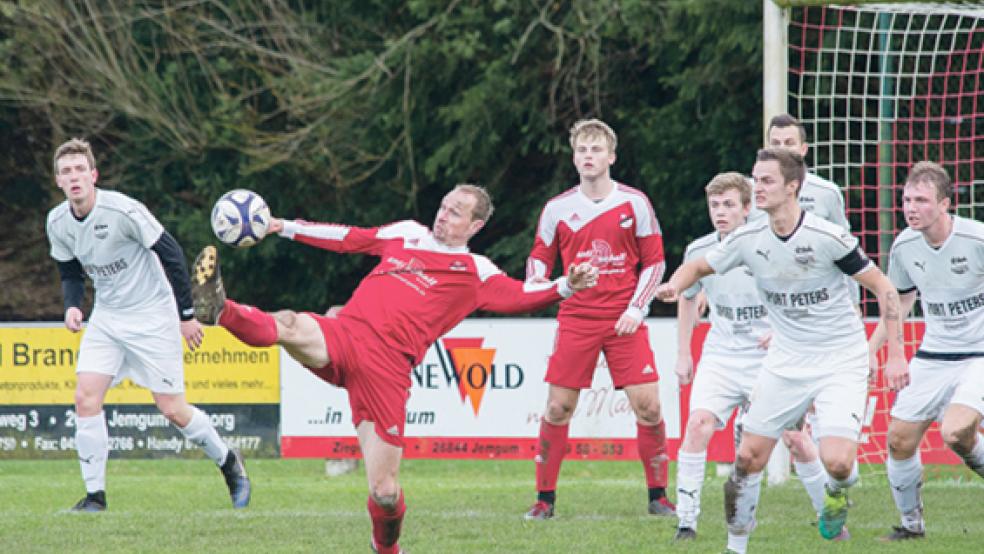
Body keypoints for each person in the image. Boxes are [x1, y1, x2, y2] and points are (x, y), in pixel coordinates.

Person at [190, 183, 598, 554]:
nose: (443, 215)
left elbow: (522, 295)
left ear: (474, 226)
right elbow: (349, 239)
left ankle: (386, 548)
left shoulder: (476, 271)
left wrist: (566, 285)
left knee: (384, 492)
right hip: (347, 333)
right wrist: (282, 226)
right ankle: (220, 309)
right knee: (291, 325)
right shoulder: (408, 233)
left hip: (387, 370)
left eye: (456, 212)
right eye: (443, 206)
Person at [655, 147, 906, 553]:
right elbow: (699, 267)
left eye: (767, 180)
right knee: (747, 459)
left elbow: (884, 288)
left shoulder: (827, 237)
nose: (758, 188)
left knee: (839, 463)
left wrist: (893, 353)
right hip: (785, 360)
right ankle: (735, 547)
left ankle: (836, 495)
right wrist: (676, 284)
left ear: (793, 187)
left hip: (840, 358)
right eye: (755, 179)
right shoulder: (748, 239)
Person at [44, 138, 250, 512]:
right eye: (65, 171)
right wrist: (73, 306)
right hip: (107, 318)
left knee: (172, 409)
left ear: (94, 175)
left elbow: (171, 254)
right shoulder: (57, 222)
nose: (73, 177)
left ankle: (228, 461)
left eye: (79, 170)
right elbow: (69, 271)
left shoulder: (124, 211)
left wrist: (185, 316)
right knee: (85, 398)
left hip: (153, 314)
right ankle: (95, 497)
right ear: (58, 181)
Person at [523, 119, 672, 520]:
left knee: (649, 406)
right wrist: (538, 279)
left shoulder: (634, 203)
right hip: (576, 317)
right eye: (582, 151)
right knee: (557, 408)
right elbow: (540, 256)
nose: (588, 157)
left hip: (625, 317)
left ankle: (658, 496)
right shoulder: (557, 208)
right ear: (574, 158)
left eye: (595, 150)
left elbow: (655, 262)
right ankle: (544, 500)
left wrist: (636, 308)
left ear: (611, 157)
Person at [867, 161, 984, 541]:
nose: (911, 207)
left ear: (946, 204)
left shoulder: (977, 240)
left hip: (980, 354)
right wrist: (882, 353)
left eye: (921, 200)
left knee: (955, 432)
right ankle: (910, 526)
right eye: (906, 199)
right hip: (935, 355)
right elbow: (897, 304)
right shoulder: (904, 245)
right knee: (898, 439)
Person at [762, 113, 860, 530]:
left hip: (830, 332)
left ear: (803, 150)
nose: (782, 147)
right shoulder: (759, 193)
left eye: (789, 142)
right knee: (791, 432)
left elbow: (848, 255)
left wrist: (852, 308)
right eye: (774, 141)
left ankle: (839, 484)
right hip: (784, 331)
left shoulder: (826, 193)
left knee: (833, 448)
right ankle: (831, 510)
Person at [672, 173, 770, 539]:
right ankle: (686, 522)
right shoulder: (699, 250)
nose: (721, 212)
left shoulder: (767, 246)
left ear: (748, 208)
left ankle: (828, 507)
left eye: (729, 205)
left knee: (788, 441)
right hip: (721, 355)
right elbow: (686, 299)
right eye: (715, 205)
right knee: (697, 425)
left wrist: (781, 332)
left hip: (765, 358)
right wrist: (684, 353)